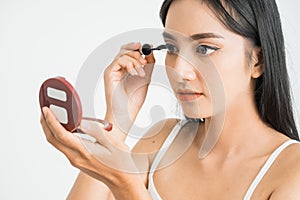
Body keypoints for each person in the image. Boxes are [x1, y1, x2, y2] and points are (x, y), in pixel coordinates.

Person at [40, 0, 300, 199]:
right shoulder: (163, 139)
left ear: (259, 61)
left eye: (205, 49)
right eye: (172, 49)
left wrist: (127, 187)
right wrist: (118, 122)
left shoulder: (291, 170)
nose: (180, 71)